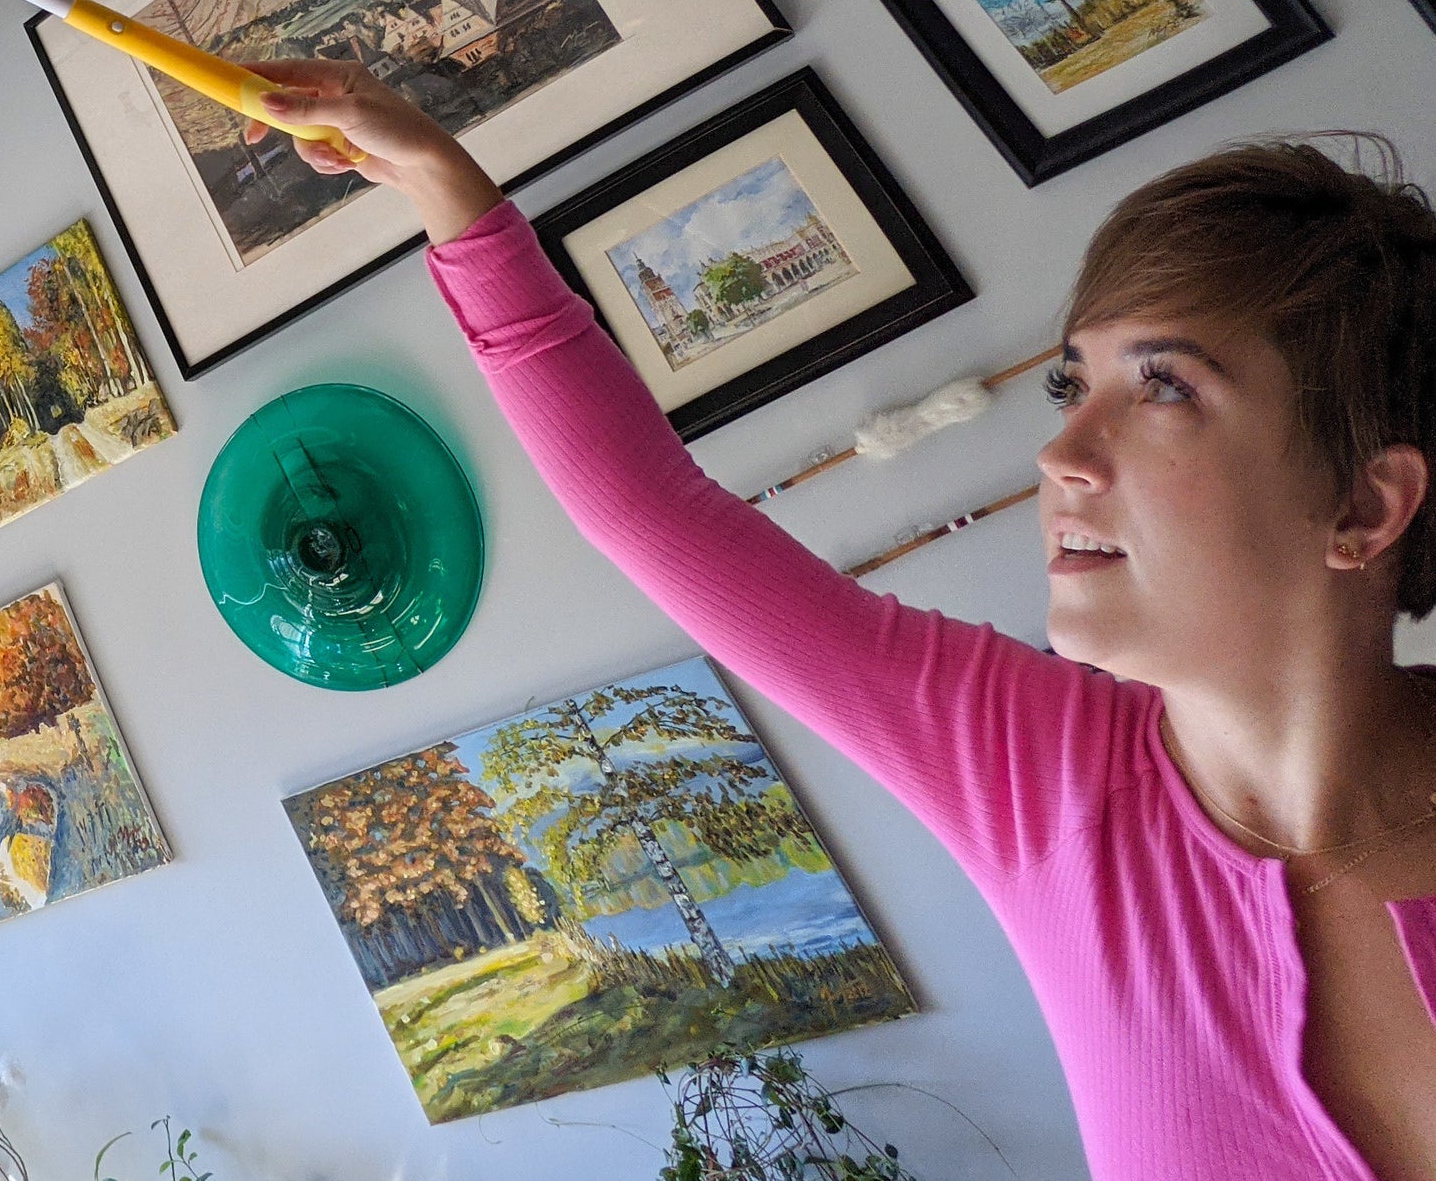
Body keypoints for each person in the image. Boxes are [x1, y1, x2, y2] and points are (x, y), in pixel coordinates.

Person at [244, 60, 1436, 1181]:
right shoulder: (1038, 773)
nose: (1062, 450)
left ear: (1364, 503)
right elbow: (654, 512)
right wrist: (454, 199)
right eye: (1075, 384)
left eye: (1164, 387)